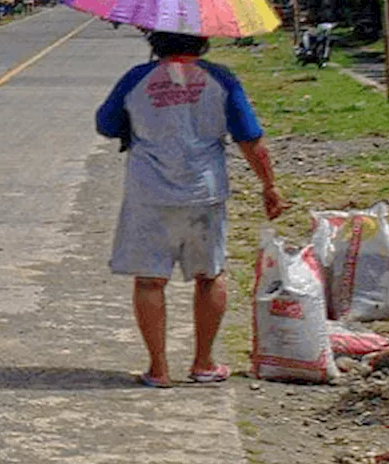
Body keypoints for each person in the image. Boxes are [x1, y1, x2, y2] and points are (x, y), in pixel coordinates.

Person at [96, 30, 287, 389]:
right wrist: (269, 186)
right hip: (204, 192)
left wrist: (136, 125)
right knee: (210, 275)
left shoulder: (137, 79)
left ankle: (159, 369)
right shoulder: (221, 79)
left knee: (150, 279)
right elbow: (250, 139)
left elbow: (105, 123)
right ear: (201, 41)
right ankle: (204, 363)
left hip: (149, 192)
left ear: (155, 42)